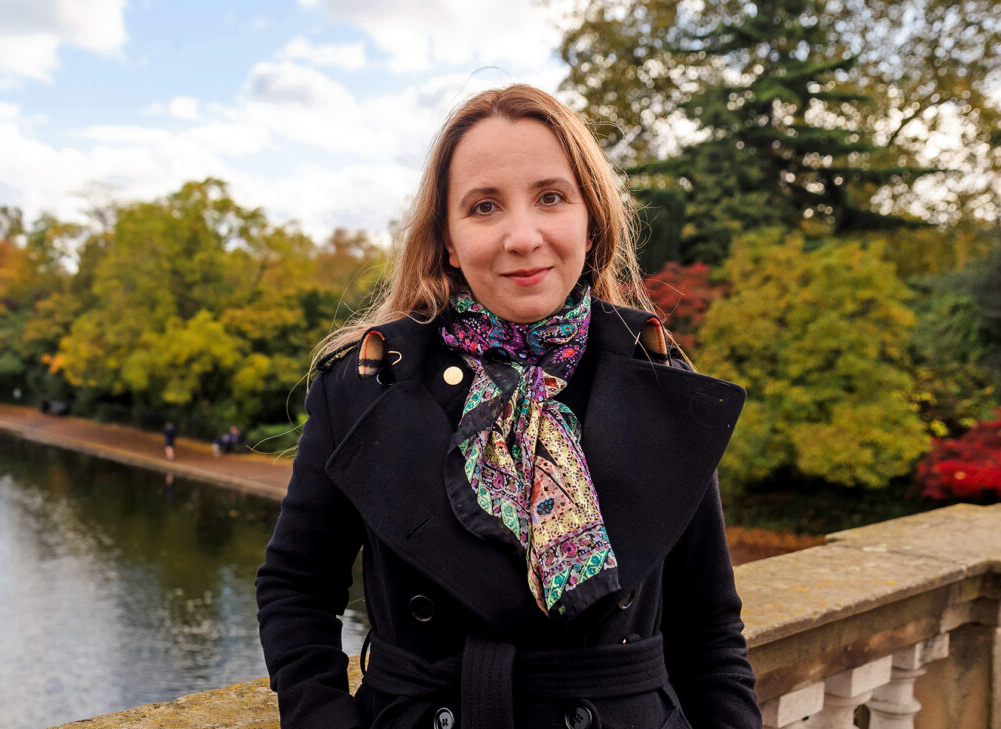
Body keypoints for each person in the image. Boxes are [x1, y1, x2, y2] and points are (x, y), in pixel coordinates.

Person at [254, 84, 759, 729]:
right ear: (446, 238)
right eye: (484, 207)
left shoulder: (656, 373)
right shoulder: (365, 384)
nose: (523, 238)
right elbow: (296, 587)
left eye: (551, 197)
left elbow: (709, 625)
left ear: (590, 216)